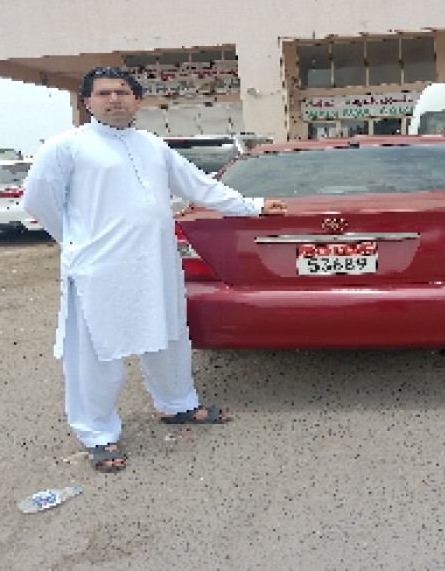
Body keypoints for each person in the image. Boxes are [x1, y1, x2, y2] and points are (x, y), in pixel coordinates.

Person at [23, 66, 287, 472]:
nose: (115, 99)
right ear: (87, 102)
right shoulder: (65, 147)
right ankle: (98, 434)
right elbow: (39, 202)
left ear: (137, 100)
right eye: (104, 93)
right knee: (97, 353)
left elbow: (198, 186)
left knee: (167, 336)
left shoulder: (152, 145)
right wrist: (76, 243)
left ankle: (176, 405)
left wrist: (252, 205)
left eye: (123, 92)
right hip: (99, 269)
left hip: (156, 262)